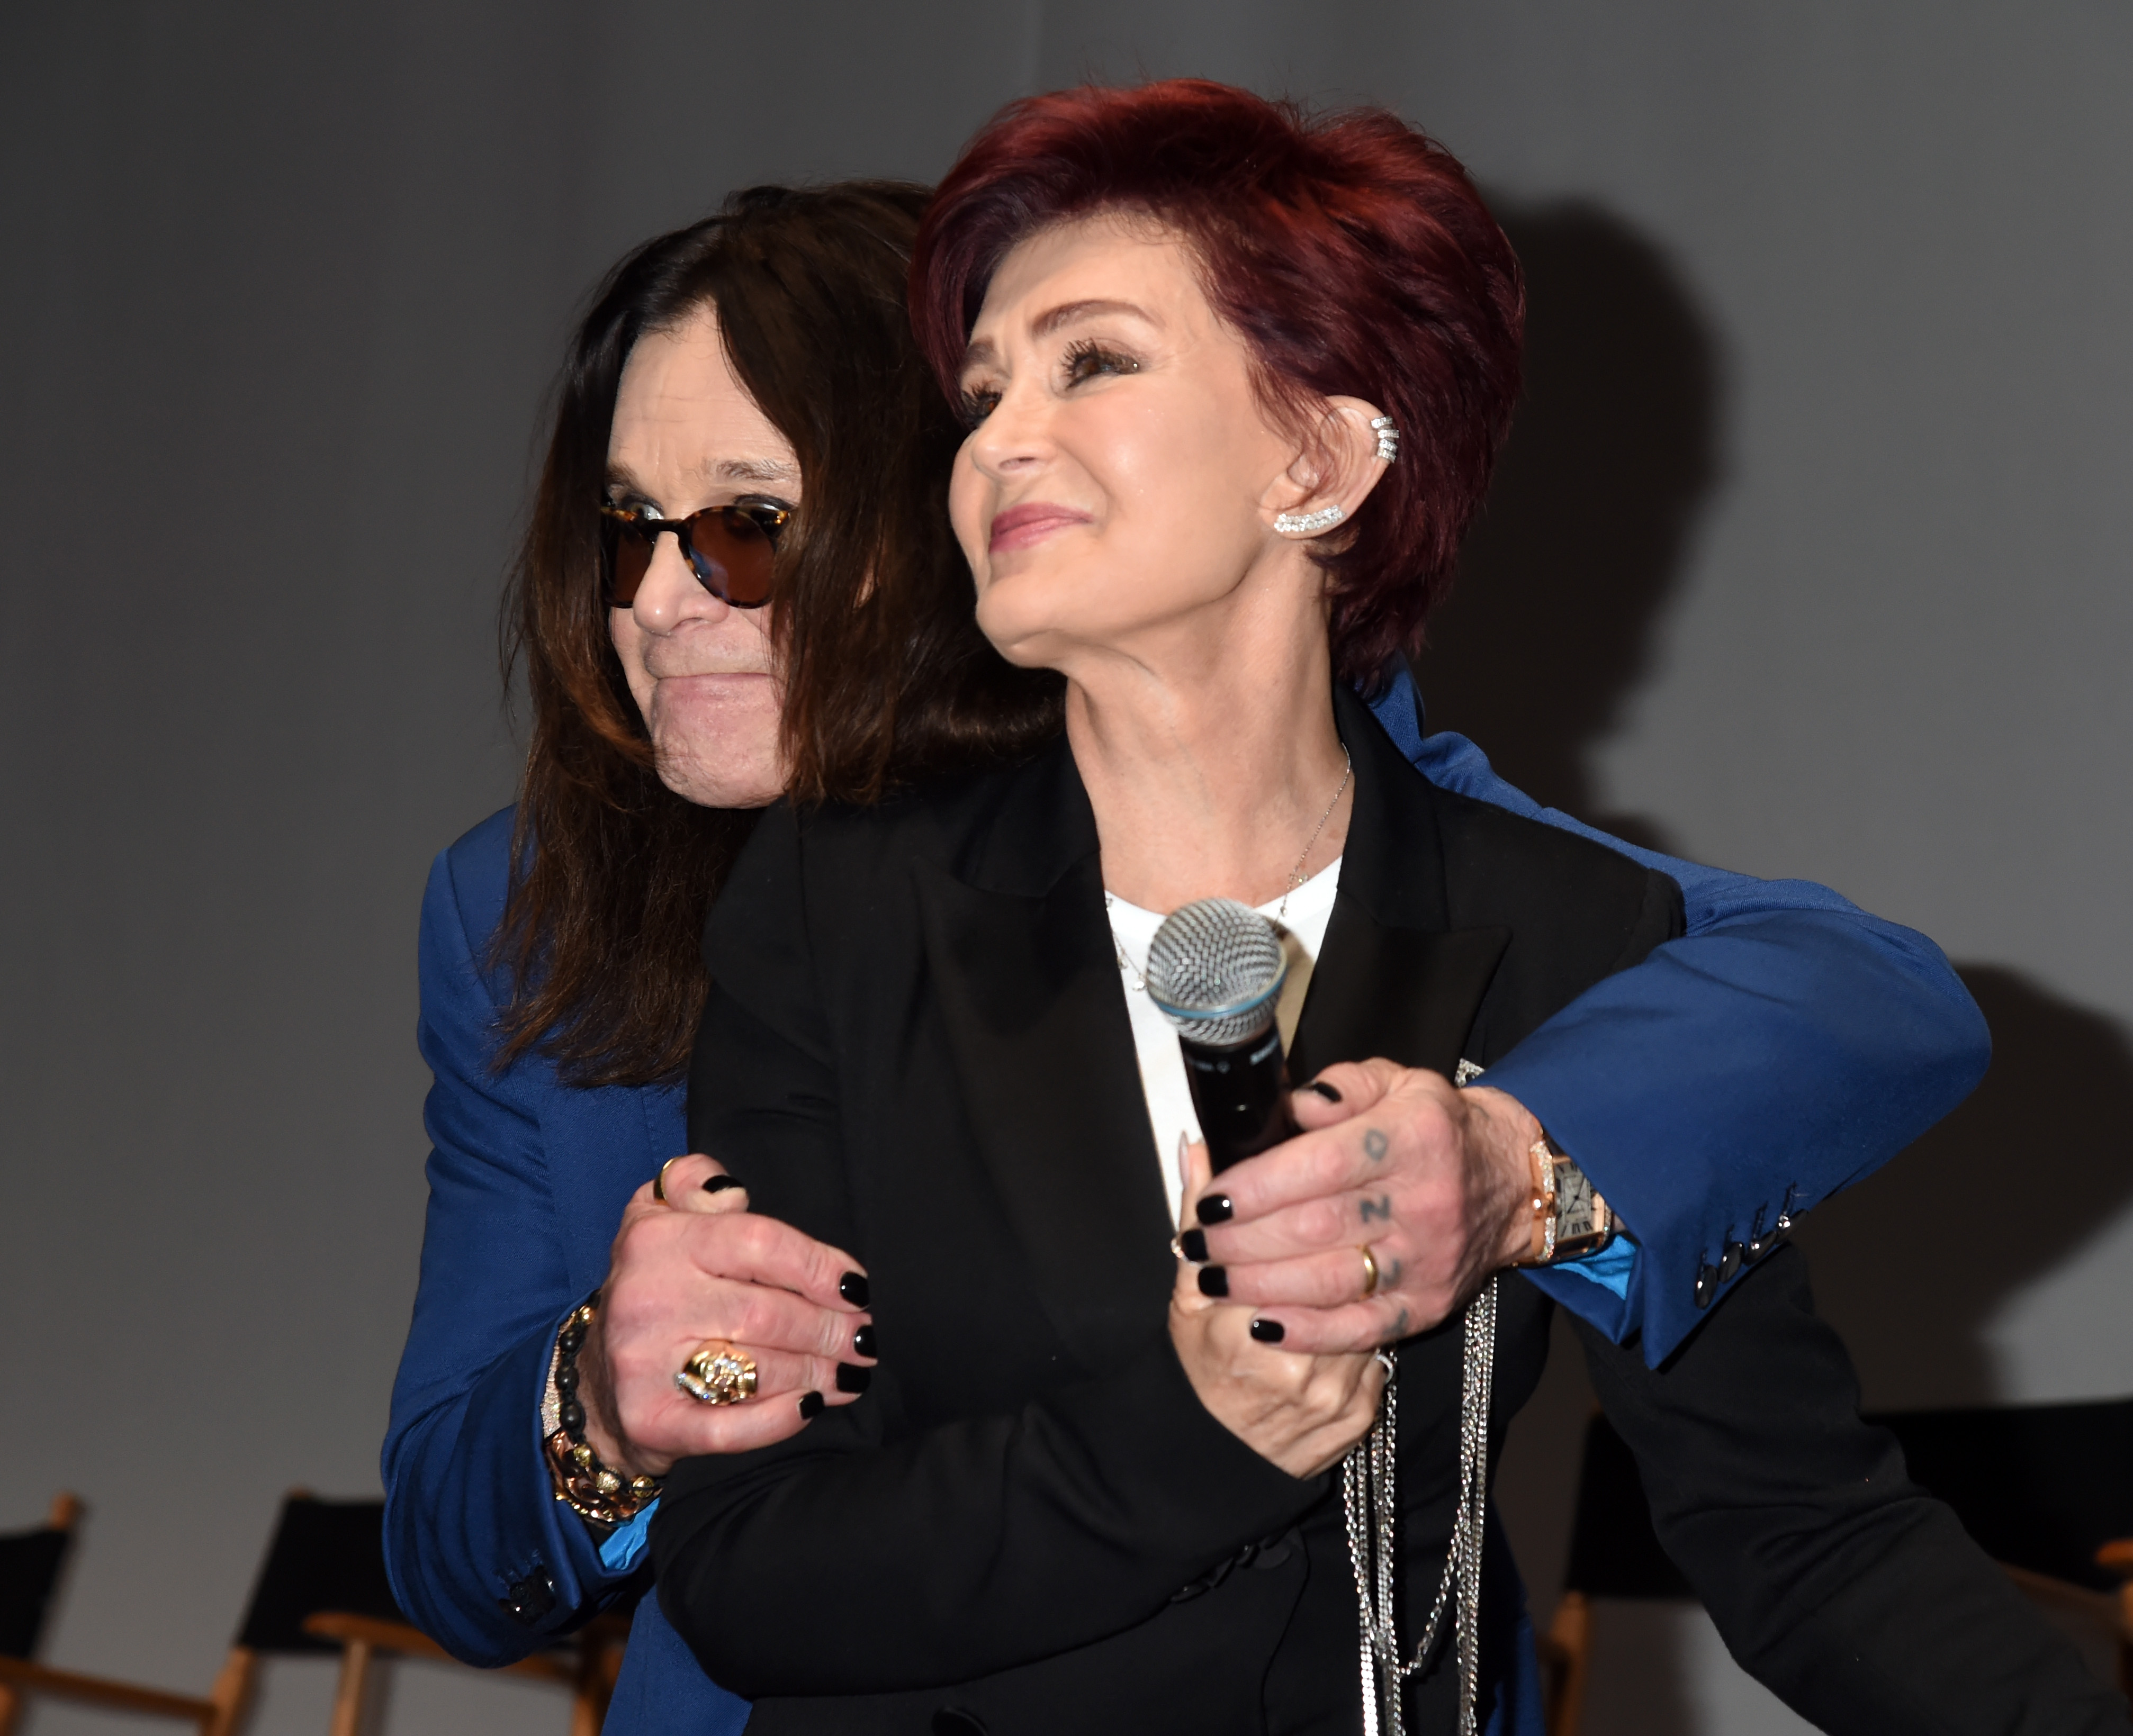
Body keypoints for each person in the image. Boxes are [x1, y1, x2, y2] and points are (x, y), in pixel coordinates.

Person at [386, 178, 1994, 1728]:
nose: (661, 601)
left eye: (747, 525)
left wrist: (1517, 1164)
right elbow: (458, 1558)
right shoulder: (526, 908)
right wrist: (596, 1413)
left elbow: (1851, 987)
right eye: (624, 533)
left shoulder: (1360, 819)